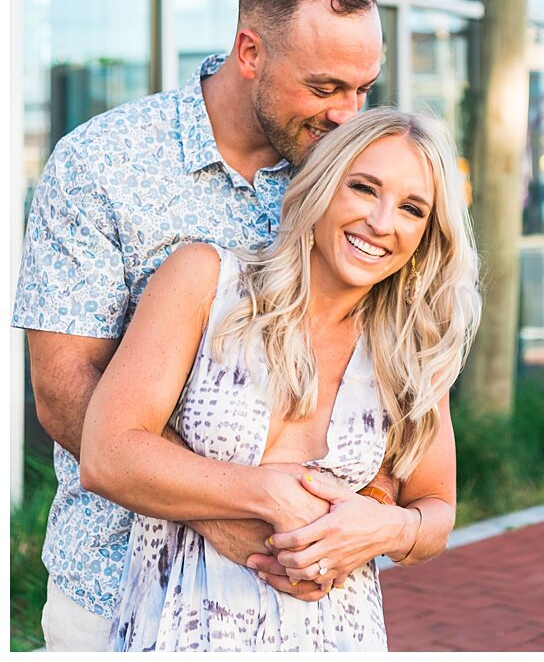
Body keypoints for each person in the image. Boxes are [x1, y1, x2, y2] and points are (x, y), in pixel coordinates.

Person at [13, 0, 392, 649]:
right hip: (115, 588)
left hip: (304, 599)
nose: (348, 113)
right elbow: (64, 390)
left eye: (362, 87)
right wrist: (220, 515)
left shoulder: (352, 178)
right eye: (324, 88)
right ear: (249, 52)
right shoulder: (102, 163)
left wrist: (370, 514)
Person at [81, 107, 480, 649]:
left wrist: (385, 526)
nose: (382, 223)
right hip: (177, 631)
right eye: (364, 189)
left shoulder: (410, 348)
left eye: (411, 208)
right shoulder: (205, 283)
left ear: (426, 234)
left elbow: (436, 510)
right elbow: (107, 456)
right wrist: (266, 494)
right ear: (320, 187)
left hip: (343, 637)